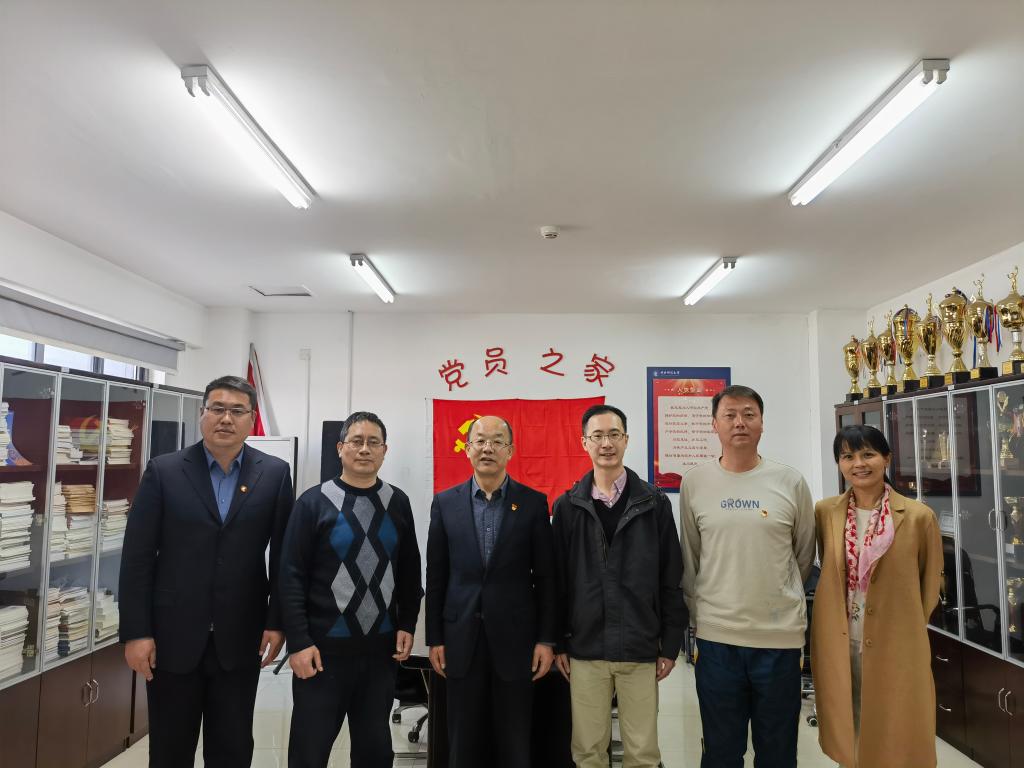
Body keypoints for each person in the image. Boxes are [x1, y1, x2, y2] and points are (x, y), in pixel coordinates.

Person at [119, 375, 294, 768]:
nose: (226, 418)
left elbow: (284, 556)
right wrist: (136, 632)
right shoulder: (164, 471)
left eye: (237, 411)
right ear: (202, 414)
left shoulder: (275, 474)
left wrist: (276, 621)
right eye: (217, 408)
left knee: (232, 748)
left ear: (251, 419)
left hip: (241, 636)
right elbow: (137, 557)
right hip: (171, 637)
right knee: (170, 750)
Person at [679, 384, 815, 768]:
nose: (740, 422)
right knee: (721, 751)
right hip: (717, 639)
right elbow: (690, 557)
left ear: (762, 423)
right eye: (730, 415)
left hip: (779, 640)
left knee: (778, 751)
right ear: (714, 424)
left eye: (749, 414)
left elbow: (804, 556)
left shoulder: (790, 482)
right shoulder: (695, 482)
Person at [279, 411, 423, 768]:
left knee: (374, 751)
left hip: (380, 654)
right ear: (340, 448)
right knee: (309, 751)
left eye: (373, 442)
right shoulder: (313, 502)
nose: (364, 449)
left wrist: (407, 623)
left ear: (385, 450)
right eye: (356, 441)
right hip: (321, 653)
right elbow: (291, 576)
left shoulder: (398, 502)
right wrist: (298, 642)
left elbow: (409, 571)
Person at [552, 404, 687, 768]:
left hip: (639, 644)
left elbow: (671, 576)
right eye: (597, 436)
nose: (606, 443)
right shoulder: (568, 507)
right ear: (584, 442)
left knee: (642, 753)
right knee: (588, 751)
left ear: (626, 440)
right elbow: (557, 582)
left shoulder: (654, 503)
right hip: (586, 647)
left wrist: (669, 644)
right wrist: (559, 641)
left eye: (614, 434)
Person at [425, 415, 556, 768]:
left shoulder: (532, 503)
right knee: (463, 741)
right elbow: (436, 576)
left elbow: (546, 577)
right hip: (460, 637)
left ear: (509, 451)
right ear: (467, 449)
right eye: (480, 441)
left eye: (497, 441)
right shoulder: (445, 503)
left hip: (516, 640)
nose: (488, 448)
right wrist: (435, 638)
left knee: (514, 741)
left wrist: (546, 639)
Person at [811, 424, 942, 767]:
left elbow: (929, 586)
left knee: (896, 726)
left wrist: (904, 626)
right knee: (847, 720)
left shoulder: (918, 517)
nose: (858, 463)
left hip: (896, 639)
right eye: (848, 456)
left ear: (887, 458)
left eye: (868, 454)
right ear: (839, 464)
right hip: (840, 637)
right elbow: (830, 569)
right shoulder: (825, 512)